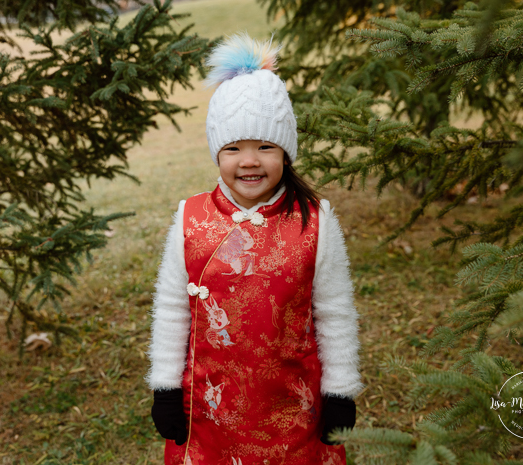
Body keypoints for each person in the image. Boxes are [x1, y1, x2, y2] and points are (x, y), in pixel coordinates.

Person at [146, 33, 362, 465]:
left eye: (265, 146)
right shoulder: (189, 221)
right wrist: (166, 387)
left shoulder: (315, 222)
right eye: (233, 148)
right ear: (216, 153)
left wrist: (340, 391)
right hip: (208, 407)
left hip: (292, 404)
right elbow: (173, 308)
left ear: (286, 152)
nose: (249, 161)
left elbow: (334, 311)